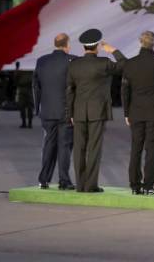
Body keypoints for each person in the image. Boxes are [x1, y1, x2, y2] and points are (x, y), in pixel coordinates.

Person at [66, 29, 126, 193]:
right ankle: (90, 185)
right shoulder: (104, 63)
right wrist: (113, 50)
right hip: (97, 112)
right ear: (97, 46)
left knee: (79, 148)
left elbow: (69, 90)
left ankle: (80, 185)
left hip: (78, 112)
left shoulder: (74, 64)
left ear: (84, 47)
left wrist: (70, 114)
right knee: (94, 148)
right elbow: (124, 65)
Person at [121, 31, 154, 196]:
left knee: (136, 148)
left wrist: (126, 113)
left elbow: (125, 90)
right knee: (152, 150)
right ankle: (148, 186)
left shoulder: (130, 64)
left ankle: (134, 186)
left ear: (140, 42)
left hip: (135, 112)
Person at [33, 33, 77, 190]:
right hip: (65, 112)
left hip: (46, 111)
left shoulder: (42, 61)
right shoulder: (72, 60)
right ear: (67, 45)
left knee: (48, 145)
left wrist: (37, 107)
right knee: (64, 146)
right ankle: (64, 181)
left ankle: (43, 179)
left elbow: (36, 87)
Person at [15, 61, 34, 128]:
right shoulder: (21, 67)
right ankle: (24, 122)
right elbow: (16, 77)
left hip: (29, 88)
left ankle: (29, 123)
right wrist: (17, 68)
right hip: (22, 88)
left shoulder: (32, 67)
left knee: (30, 107)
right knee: (22, 106)